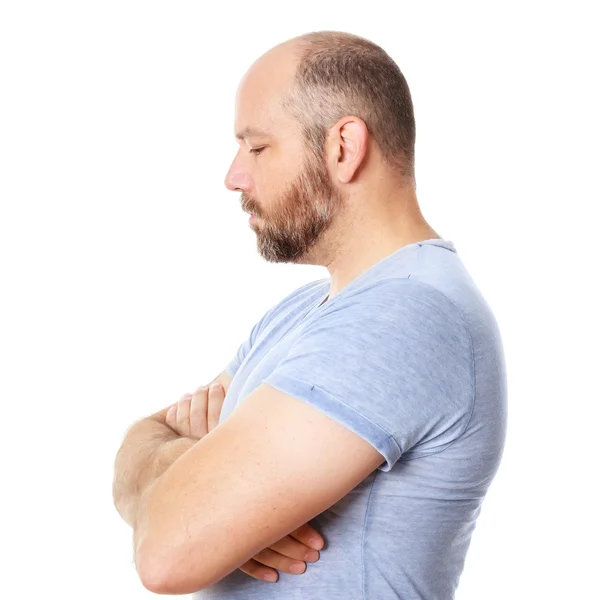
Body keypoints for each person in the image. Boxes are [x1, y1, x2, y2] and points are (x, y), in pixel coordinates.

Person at [113, 30, 507, 599]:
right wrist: (183, 467)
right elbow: (146, 443)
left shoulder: (407, 316)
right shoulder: (305, 312)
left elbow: (167, 553)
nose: (234, 176)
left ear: (343, 147)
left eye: (257, 147)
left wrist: (200, 498)